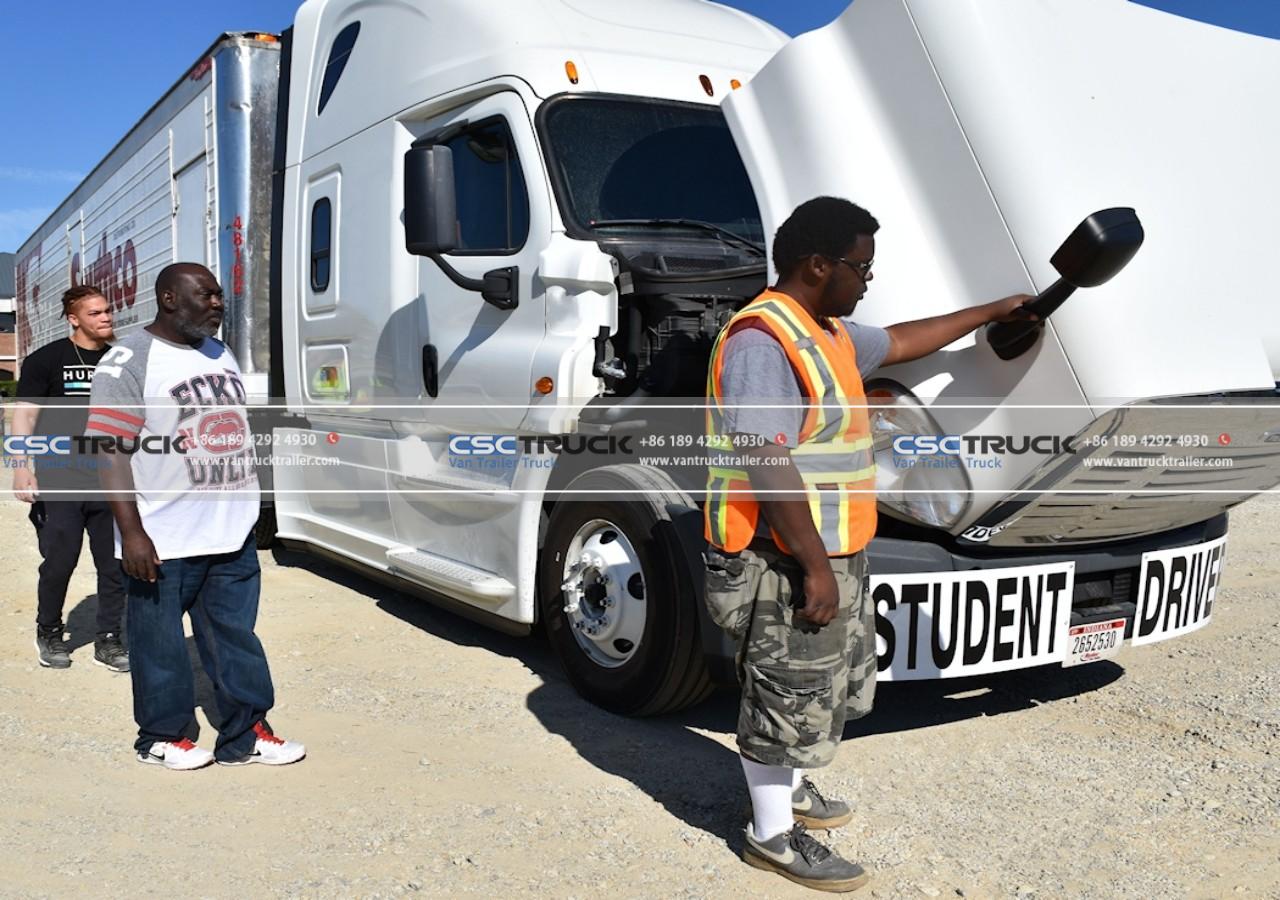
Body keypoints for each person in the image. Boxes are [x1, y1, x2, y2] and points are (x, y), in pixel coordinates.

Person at [704, 197, 1033, 892]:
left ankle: (787, 793)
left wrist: (990, 312)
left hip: (824, 548)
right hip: (783, 556)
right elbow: (765, 458)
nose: (868, 279)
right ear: (817, 265)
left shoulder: (824, 330)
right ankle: (770, 835)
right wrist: (816, 568)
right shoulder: (764, 341)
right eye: (862, 266)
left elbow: (904, 340)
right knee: (784, 692)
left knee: (816, 684)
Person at [86, 262, 304, 771]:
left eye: (219, 296)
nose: (217, 304)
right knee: (159, 646)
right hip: (162, 538)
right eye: (205, 296)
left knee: (236, 637)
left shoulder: (218, 351)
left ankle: (245, 733)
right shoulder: (128, 360)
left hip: (229, 534)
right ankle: (162, 737)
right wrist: (132, 533)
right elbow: (108, 451)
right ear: (168, 298)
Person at [13, 285, 129, 672]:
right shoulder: (46, 360)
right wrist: (21, 466)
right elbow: (25, 415)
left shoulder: (122, 360)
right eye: (95, 313)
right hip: (59, 473)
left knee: (114, 562)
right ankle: (48, 630)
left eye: (108, 311)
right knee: (60, 559)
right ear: (74, 318)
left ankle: (109, 639)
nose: (106, 318)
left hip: (111, 477)